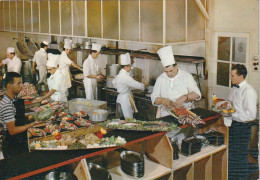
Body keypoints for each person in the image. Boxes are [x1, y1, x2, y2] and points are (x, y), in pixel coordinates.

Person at [151, 46, 201, 118]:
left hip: (185, 114)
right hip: (166, 115)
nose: (169, 74)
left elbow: (197, 94)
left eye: (171, 71)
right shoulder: (160, 79)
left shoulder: (186, 76)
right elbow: (154, 97)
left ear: (176, 67)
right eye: (166, 72)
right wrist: (161, 100)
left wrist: (185, 97)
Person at [226, 64, 257, 180]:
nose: (230, 78)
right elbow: (230, 103)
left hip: (242, 128)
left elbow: (251, 115)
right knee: (232, 154)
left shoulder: (249, 91)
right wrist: (226, 106)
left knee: (240, 156)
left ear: (241, 76)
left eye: (232, 75)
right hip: (233, 125)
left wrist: (232, 114)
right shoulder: (234, 88)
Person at [0, 72, 39, 158]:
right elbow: (12, 130)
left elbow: (14, 117)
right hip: (13, 145)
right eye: (18, 83)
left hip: (19, 140)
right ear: (9, 85)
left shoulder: (12, 99)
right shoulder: (7, 104)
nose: (21, 86)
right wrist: (31, 124)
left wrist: (27, 117)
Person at [112, 53, 145, 119]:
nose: (131, 67)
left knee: (121, 118)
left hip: (120, 98)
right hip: (125, 99)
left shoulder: (119, 75)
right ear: (125, 67)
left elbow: (114, 82)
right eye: (130, 66)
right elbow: (137, 85)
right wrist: (143, 86)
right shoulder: (125, 77)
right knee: (128, 118)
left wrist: (125, 88)